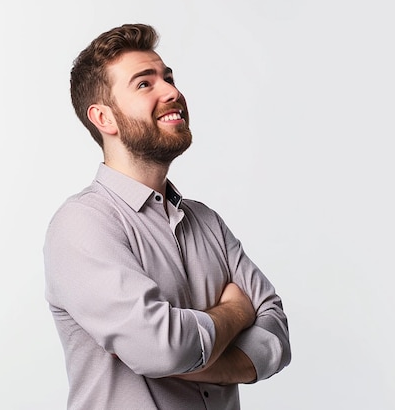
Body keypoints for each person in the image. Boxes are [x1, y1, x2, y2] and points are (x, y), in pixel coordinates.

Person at [43, 23, 291, 410]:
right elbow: (162, 348)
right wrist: (235, 311)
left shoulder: (206, 222)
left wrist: (213, 364)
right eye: (145, 84)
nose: (171, 92)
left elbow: (276, 332)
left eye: (168, 78)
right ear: (104, 118)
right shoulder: (82, 225)